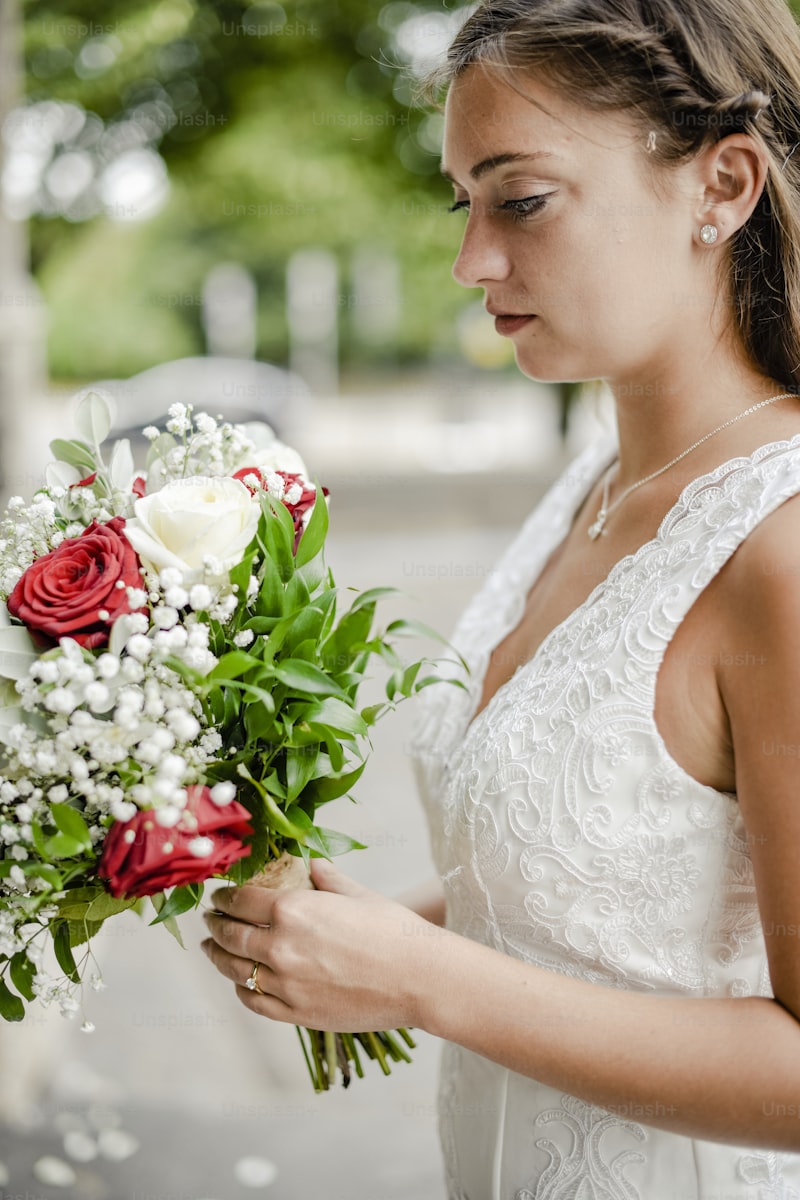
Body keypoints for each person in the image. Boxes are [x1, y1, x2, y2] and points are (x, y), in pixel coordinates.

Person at [201, 0, 800, 1194]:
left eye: (519, 200)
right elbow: (602, 897)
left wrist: (421, 981)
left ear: (720, 186)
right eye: (461, 203)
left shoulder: (779, 550)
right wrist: (352, 935)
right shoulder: (595, 481)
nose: (471, 259)